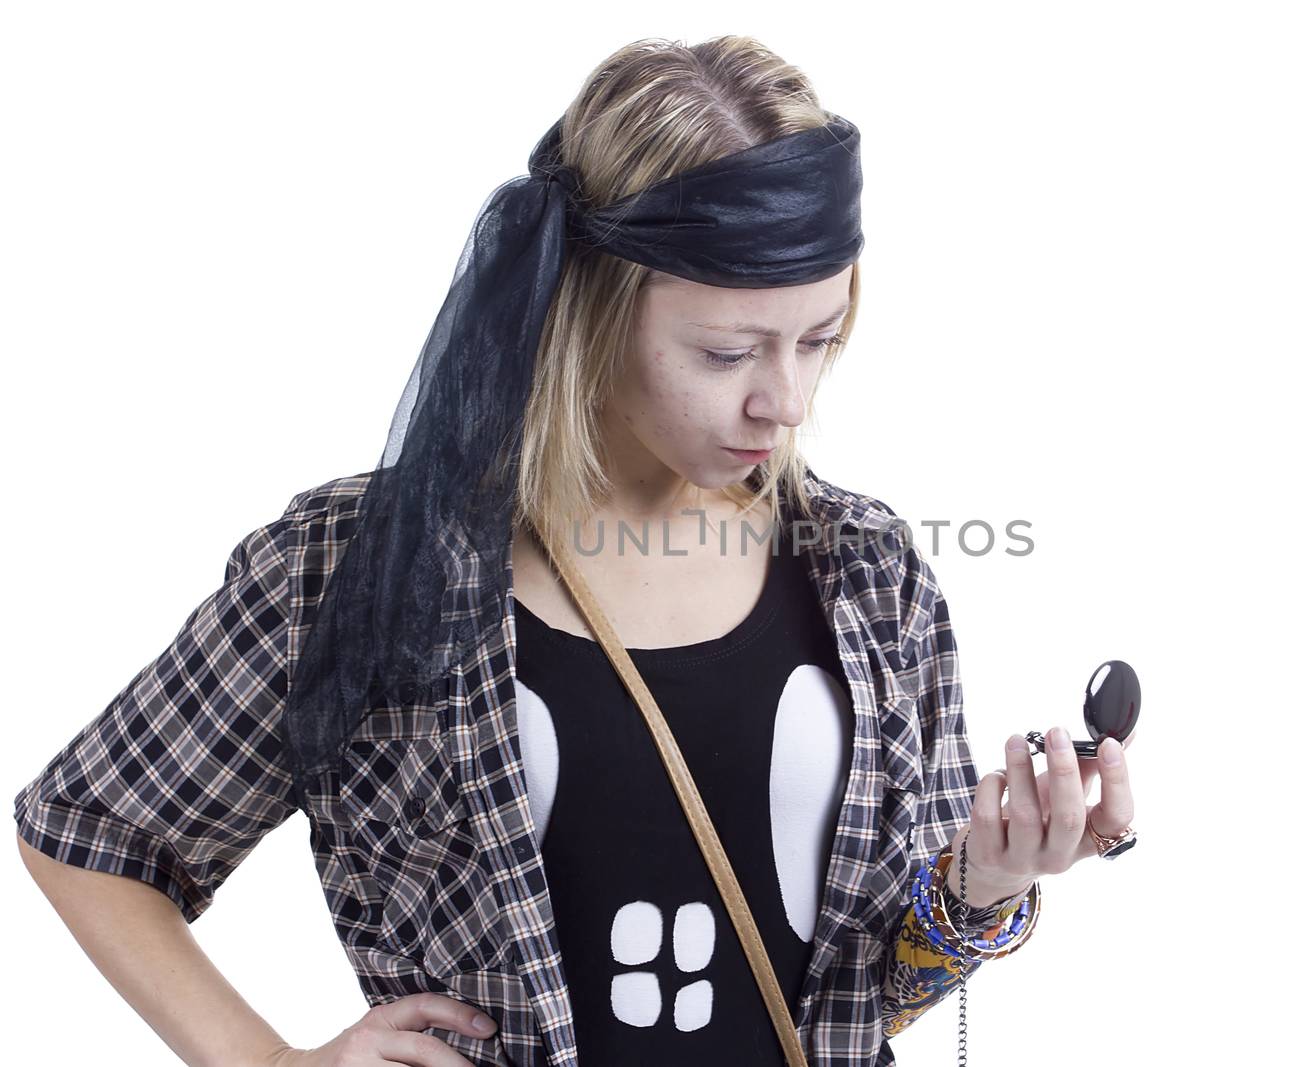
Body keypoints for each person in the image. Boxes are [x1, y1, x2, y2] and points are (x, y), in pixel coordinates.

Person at [13, 34, 1136, 1067]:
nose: (782, 401)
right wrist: (267, 1062)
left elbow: (869, 994)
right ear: (587, 310)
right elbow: (89, 831)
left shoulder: (873, 580)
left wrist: (989, 879)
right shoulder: (353, 569)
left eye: (818, 339)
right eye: (726, 349)